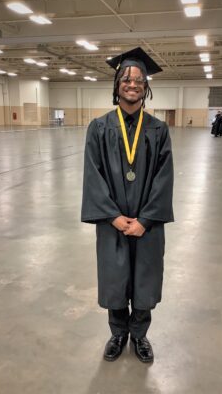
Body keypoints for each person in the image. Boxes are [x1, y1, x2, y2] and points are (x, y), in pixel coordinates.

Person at [81, 47, 174, 363]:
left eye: (138, 79)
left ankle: (140, 335)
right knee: (115, 278)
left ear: (145, 87)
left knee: (145, 280)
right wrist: (114, 217)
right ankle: (118, 333)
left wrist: (145, 220)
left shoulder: (159, 130)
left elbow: (164, 178)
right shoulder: (99, 127)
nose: (132, 84)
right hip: (113, 223)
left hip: (147, 225)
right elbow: (93, 176)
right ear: (116, 85)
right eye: (126, 79)